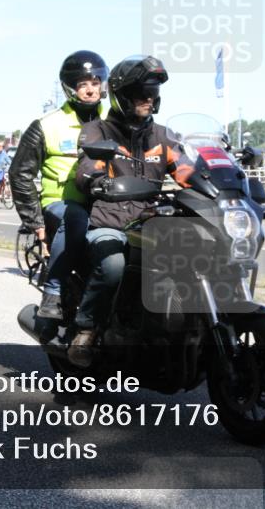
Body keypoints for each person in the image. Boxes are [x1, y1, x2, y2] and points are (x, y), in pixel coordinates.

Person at [70, 55, 194, 367]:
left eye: (153, 92)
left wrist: (218, 185)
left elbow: (188, 173)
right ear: (122, 95)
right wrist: (100, 183)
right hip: (109, 222)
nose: (149, 98)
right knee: (112, 265)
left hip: (151, 224)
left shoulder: (164, 136)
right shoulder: (97, 132)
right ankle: (87, 329)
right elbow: (87, 169)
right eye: (142, 92)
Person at [10, 50, 109, 322]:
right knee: (76, 216)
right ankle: (52, 292)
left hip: (107, 204)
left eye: (95, 83)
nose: (90, 90)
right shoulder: (46, 125)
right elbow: (20, 174)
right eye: (82, 84)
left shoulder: (114, 122)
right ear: (70, 88)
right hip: (61, 204)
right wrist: (36, 224)